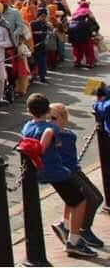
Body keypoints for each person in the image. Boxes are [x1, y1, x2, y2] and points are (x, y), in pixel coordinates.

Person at [20, 93, 95, 258]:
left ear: (28, 111)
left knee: (72, 198)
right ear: (47, 111)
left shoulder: (27, 127)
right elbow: (46, 137)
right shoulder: (50, 127)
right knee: (80, 201)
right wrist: (42, 148)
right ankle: (74, 241)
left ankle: (66, 226)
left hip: (40, 173)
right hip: (56, 171)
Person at [49, 102, 104, 249]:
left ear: (64, 119)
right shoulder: (50, 135)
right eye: (48, 118)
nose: (50, 122)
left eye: (53, 118)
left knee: (96, 197)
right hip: (65, 173)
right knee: (89, 199)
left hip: (74, 170)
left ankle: (66, 224)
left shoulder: (68, 134)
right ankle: (81, 231)